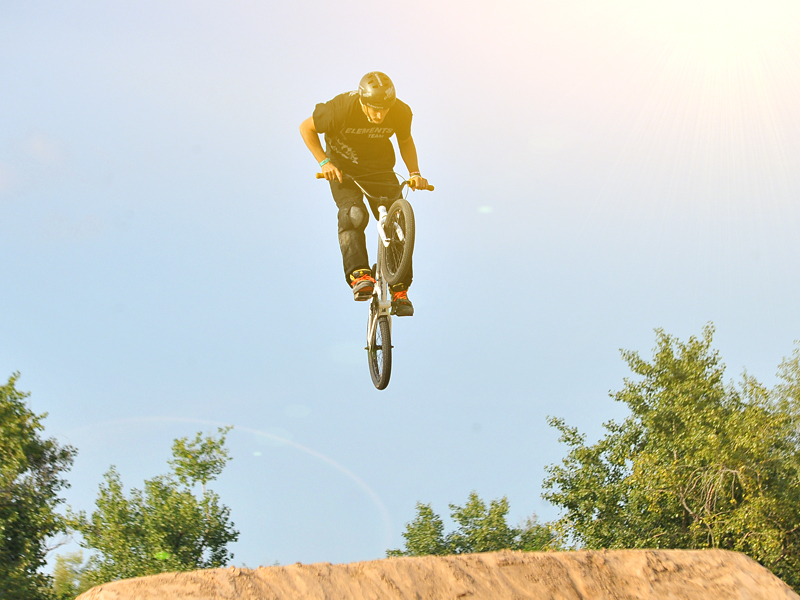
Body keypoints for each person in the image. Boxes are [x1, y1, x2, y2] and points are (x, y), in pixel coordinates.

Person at [299, 71, 429, 317]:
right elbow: (306, 127)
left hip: (380, 169)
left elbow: (405, 140)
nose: (380, 116)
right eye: (375, 110)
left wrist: (415, 172)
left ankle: (400, 290)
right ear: (362, 101)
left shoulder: (400, 111)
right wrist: (324, 162)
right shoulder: (340, 109)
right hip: (343, 171)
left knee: (398, 223)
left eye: (385, 110)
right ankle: (359, 274)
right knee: (354, 214)